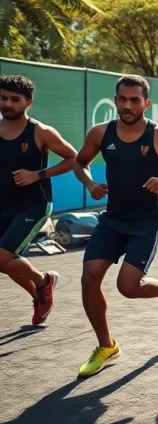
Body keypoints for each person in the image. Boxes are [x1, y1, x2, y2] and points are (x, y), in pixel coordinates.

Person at [72, 75, 158, 377]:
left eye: (134, 100)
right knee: (89, 278)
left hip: (148, 220)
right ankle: (106, 345)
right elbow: (79, 161)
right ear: (115, 100)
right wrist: (89, 183)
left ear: (146, 103)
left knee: (127, 287)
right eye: (122, 99)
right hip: (113, 218)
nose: (127, 105)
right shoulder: (100, 133)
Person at [0, 75, 76, 326]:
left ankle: (44, 281)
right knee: (8, 262)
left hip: (34, 203)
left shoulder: (41, 132)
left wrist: (38, 174)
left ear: (28, 102)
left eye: (15, 99)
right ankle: (40, 294)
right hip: (4, 204)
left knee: (3, 258)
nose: (8, 104)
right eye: (3, 98)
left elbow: (72, 158)